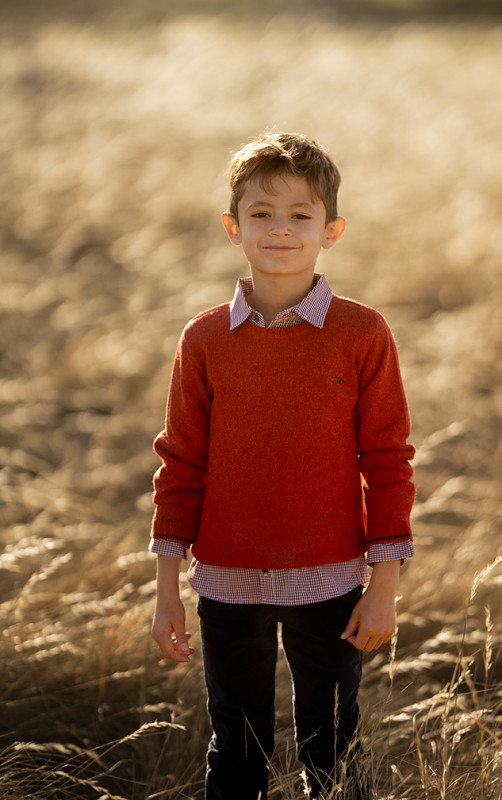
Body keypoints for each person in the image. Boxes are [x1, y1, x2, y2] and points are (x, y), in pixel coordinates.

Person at [150, 132, 415, 800]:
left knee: (330, 746)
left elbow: (386, 461)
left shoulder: (362, 333)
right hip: (225, 583)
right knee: (236, 748)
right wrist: (165, 590)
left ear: (331, 230)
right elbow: (180, 461)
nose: (280, 229)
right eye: (261, 214)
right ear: (232, 227)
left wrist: (382, 586)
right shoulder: (204, 339)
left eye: (300, 214)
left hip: (328, 580)